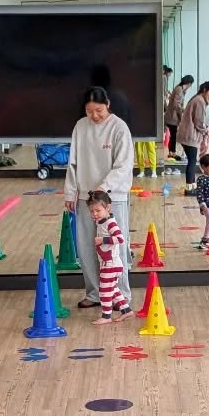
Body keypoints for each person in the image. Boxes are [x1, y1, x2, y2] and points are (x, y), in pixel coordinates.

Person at [64, 87, 134, 308]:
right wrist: (70, 192)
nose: (95, 116)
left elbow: (123, 165)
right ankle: (95, 293)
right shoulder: (80, 127)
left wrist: (103, 189)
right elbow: (73, 163)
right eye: (89, 111)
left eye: (99, 110)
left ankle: (120, 295)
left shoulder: (119, 128)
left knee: (115, 246)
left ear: (108, 105)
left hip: (113, 197)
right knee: (86, 246)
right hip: (86, 196)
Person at [86, 190, 133, 324]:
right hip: (109, 263)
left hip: (111, 264)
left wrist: (103, 240)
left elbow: (120, 238)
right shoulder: (101, 222)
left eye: (98, 210)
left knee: (104, 290)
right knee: (112, 288)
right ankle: (126, 310)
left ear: (108, 208)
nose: (94, 214)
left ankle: (106, 316)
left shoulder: (110, 223)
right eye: (91, 211)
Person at [177, 80, 209, 188]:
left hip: (187, 135)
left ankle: (191, 184)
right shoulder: (200, 101)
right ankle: (190, 185)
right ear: (205, 90)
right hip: (189, 136)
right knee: (192, 160)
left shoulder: (198, 99)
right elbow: (199, 122)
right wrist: (206, 131)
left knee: (192, 160)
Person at [165, 73, 192, 160]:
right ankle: (172, 153)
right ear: (189, 83)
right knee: (174, 135)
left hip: (172, 116)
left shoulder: (179, 88)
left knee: (173, 135)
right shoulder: (180, 90)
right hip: (173, 117)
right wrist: (182, 112)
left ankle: (172, 152)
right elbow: (176, 105)